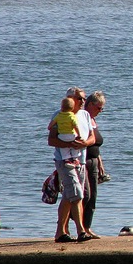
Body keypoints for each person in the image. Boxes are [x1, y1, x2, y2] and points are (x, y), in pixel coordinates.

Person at [48, 87, 94, 243]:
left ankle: (60, 233)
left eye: (84, 98)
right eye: (80, 98)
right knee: (77, 194)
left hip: (80, 160)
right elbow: (51, 140)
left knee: (70, 196)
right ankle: (81, 231)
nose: (83, 102)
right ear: (70, 99)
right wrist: (70, 144)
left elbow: (92, 138)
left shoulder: (85, 115)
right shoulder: (59, 115)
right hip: (65, 161)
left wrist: (84, 143)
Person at [82, 91, 108, 239]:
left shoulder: (92, 120)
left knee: (93, 197)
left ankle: (87, 227)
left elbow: (96, 145)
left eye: (102, 109)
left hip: (93, 161)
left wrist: (100, 162)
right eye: (99, 108)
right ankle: (76, 226)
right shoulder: (83, 118)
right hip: (83, 161)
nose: (100, 111)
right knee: (85, 195)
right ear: (90, 104)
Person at [49, 97, 85, 164]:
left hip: (62, 136)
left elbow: (51, 124)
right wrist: (79, 135)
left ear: (62, 107)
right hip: (71, 135)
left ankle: (66, 159)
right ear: (72, 108)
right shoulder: (72, 116)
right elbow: (75, 126)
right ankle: (75, 158)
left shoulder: (58, 115)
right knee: (75, 145)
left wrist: (50, 127)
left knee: (63, 149)